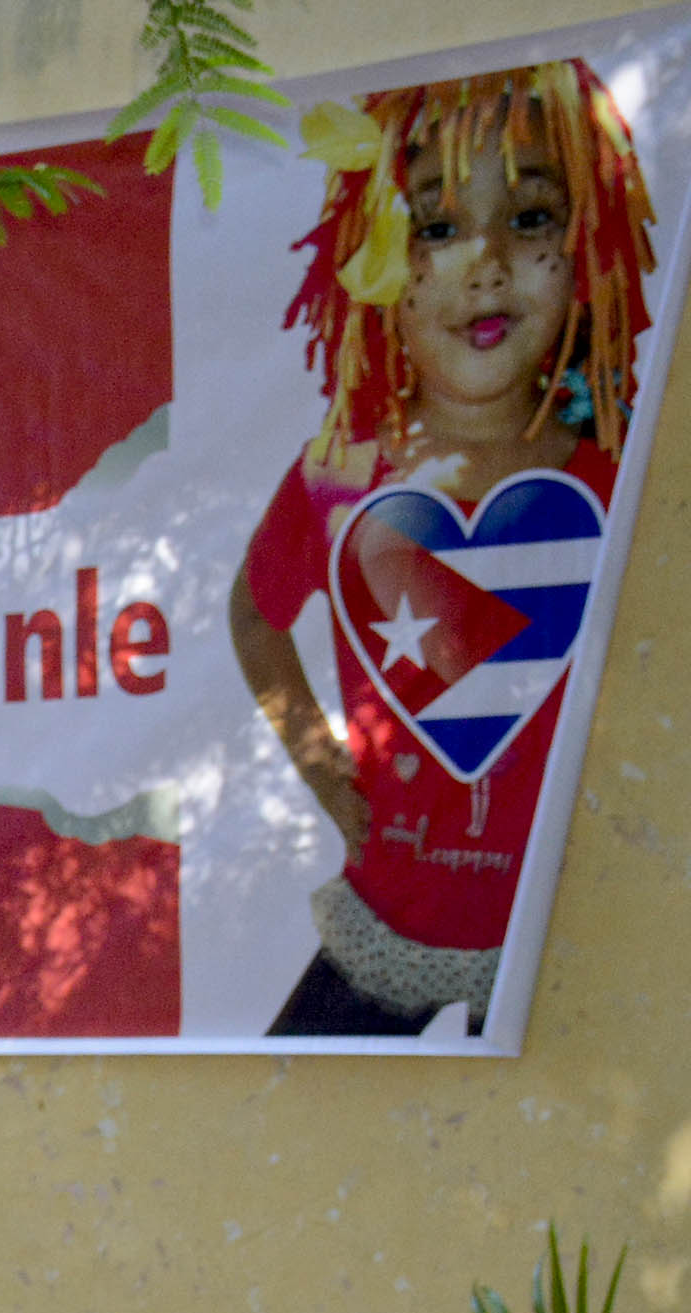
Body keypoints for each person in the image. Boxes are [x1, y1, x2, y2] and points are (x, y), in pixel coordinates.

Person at [232, 61, 657, 1037]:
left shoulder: (618, 481)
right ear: (373, 253)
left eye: (534, 217)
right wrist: (322, 768)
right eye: (436, 227)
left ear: (590, 242)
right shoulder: (340, 471)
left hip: (571, 948)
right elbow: (255, 616)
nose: (487, 262)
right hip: (385, 933)